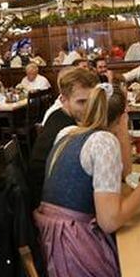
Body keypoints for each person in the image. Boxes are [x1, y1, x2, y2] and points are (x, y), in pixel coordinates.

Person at [33, 84, 140, 277]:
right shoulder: (103, 141)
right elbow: (109, 222)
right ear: (120, 115)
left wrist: (121, 128)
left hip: (50, 239)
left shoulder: (68, 132)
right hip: (74, 252)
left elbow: (124, 172)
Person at [28, 67, 98, 207]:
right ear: (64, 100)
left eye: (91, 101)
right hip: (48, 203)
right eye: (81, 102)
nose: (88, 108)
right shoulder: (67, 129)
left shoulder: (62, 115)